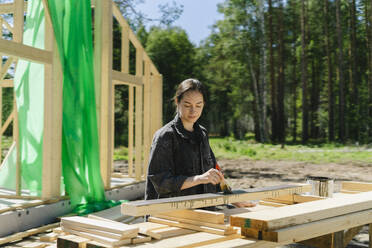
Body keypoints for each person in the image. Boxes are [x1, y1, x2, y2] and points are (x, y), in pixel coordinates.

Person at [145, 78, 255, 208]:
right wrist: (199, 179)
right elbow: (161, 182)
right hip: (171, 215)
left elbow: (214, 172)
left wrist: (232, 197)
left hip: (203, 211)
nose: (193, 111)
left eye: (198, 105)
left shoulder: (202, 133)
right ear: (177, 102)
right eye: (187, 105)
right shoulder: (165, 136)